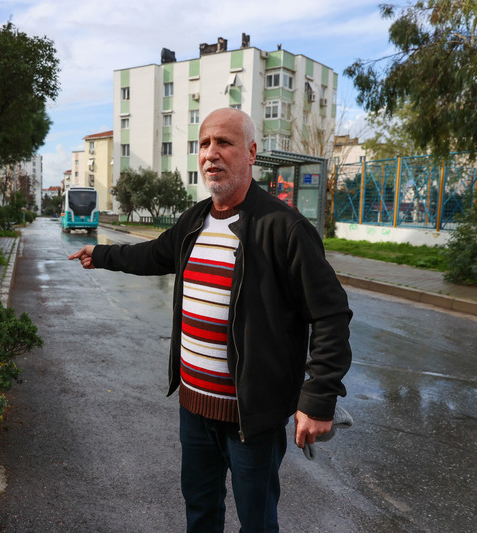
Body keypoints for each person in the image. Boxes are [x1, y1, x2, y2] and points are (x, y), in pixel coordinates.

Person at [68, 108, 352, 532]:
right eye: (203, 144)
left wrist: (318, 398)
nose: (210, 153)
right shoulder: (194, 220)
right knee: (200, 512)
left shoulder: (284, 228)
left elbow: (331, 315)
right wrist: (102, 254)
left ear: (251, 153)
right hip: (195, 408)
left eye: (224, 143)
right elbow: (154, 254)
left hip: (252, 418)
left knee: (257, 522)